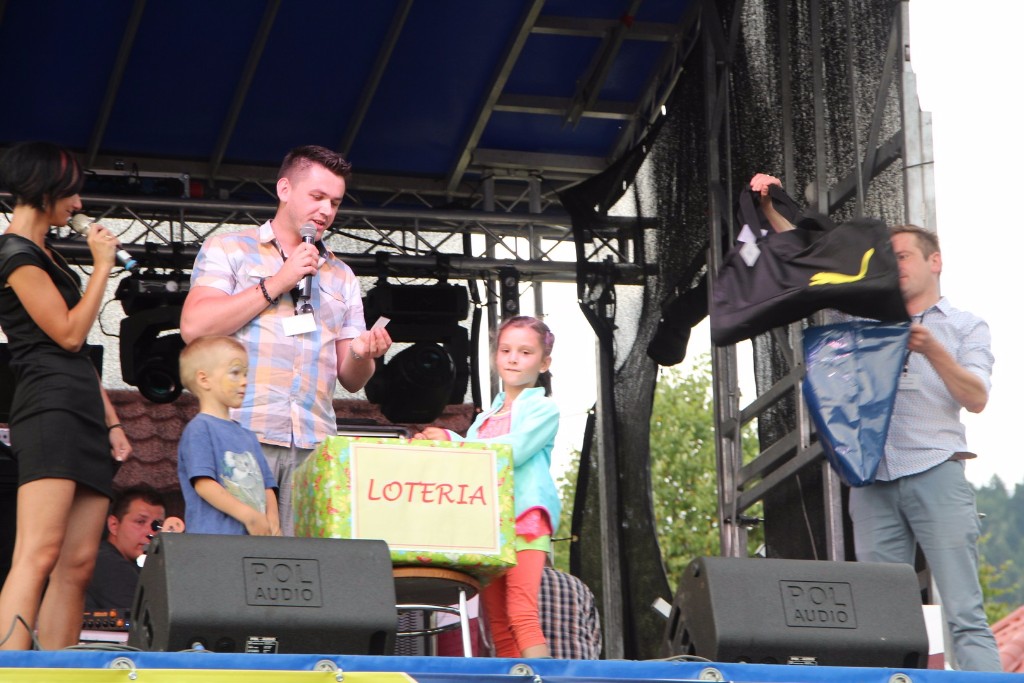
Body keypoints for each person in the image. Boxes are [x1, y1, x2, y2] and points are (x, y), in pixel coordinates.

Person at [180, 145, 391, 536]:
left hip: (313, 443)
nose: (326, 210)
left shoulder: (341, 275)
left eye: (335, 202)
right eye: (317, 196)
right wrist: (279, 281)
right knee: (238, 559)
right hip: (243, 433)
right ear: (284, 189)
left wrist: (363, 353)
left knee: (305, 565)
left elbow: (352, 379)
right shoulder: (230, 248)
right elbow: (195, 327)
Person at [848, 225, 1001, 672]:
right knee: (880, 619)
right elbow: (813, 264)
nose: (894, 266)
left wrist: (933, 349)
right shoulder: (866, 321)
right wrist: (772, 210)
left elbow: (977, 397)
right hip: (872, 477)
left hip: (936, 469)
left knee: (964, 612)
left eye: (903, 256)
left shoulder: (965, 325)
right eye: (888, 258)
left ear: (935, 261)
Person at [0, 141, 133, 650]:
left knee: (78, 562)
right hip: (48, 404)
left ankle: (60, 668)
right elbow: (70, 335)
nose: (78, 205)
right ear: (44, 189)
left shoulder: (48, 253)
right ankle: (12, 667)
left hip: (82, 406)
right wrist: (101, 266)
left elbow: (79, 358)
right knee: (39, 551)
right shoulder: (14, 254)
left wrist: (112, 420)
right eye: (72, 193)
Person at [415, 315, 561, 658]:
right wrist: (442, 442)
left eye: (525, 352)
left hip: (525, 519)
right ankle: (516, 678)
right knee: (497, 622)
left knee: (522, 613)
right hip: (488, 528)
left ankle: (541, 679)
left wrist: (456, 442)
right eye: (505, 350)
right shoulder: (483, 419)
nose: (513, 358)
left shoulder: (544, 409)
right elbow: (472, 462)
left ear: (544, 363)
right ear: (495, 356)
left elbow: (514, 449)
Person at [177, 336, 280, 536]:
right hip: (215, 541)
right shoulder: (199, 429)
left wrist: (273, 520)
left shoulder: (248, 436)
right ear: (204, 379)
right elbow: (204, 484)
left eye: (245, 374)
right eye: (235, 373)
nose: (244, 381)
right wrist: (248, 516)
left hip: (253, 543)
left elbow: (268, 486)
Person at [84, 488, 166, 611]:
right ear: (114, 525)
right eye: (140, 522)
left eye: (158, 525)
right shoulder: (107, 563)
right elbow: (148, 617)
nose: (151, 533)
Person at [539, 565, 601, 659]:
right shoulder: (578, 586)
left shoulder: (518, 584)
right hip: (577, 666)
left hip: (527, 666)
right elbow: (595, 642)